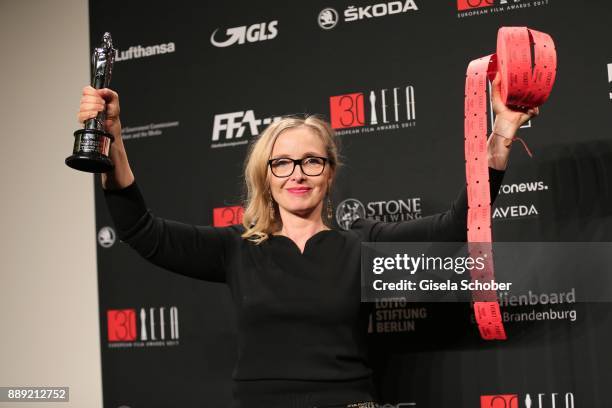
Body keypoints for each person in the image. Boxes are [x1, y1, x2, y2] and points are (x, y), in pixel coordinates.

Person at [77, 72, 539, 408]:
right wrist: (113, 139)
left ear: (329, 172)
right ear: (266, 175)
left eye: (311, 162)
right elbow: (140, 230)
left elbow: (457, 226)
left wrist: (499, 135)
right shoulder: (237, 249)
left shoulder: (362, 247)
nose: (297, 174)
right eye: (283, 163)